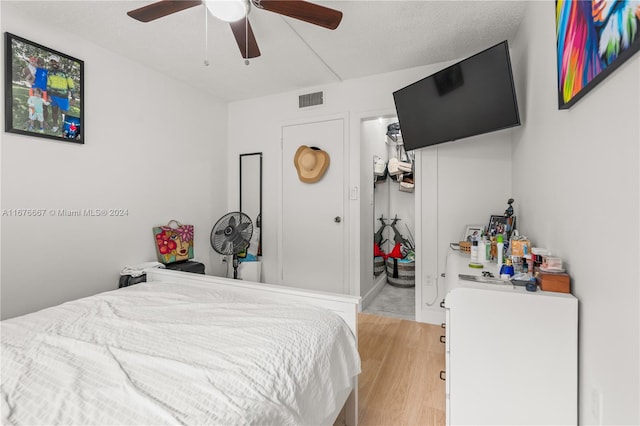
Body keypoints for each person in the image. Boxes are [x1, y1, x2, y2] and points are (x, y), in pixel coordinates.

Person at [46, 54, 75, 133]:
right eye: (51, 61)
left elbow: (71, 85)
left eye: (55, 61)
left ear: (58, 62)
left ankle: (65, 127)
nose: (53, 63)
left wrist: (73, 97)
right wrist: (48, 95)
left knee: (64, 113)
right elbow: (48, 85)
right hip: (53, 96)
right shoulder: (49, 73)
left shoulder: (65, 73)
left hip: (63, 97)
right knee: (54, 111)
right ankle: (55, 125)